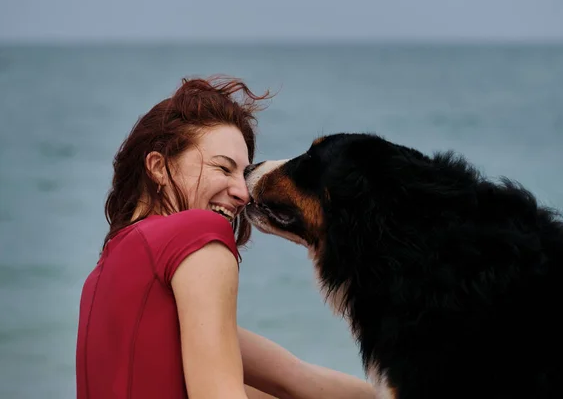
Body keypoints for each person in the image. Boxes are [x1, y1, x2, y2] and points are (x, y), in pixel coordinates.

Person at [75, 75, 376, 399]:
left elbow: (296, 378)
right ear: (158, 167)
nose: (243, 193)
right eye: (223, 168)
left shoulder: (104, 277)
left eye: (243, 175)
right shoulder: (195, 232)